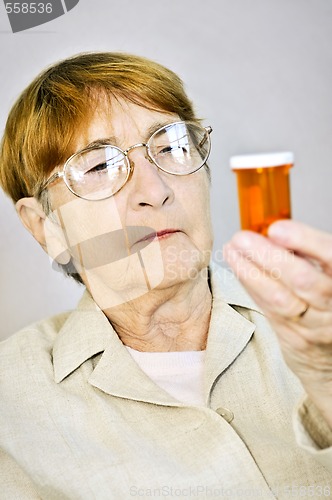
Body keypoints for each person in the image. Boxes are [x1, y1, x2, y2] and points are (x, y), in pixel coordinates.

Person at [0, 52, 331, 499]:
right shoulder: (11, 402)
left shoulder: (319, 325)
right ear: (46, 226)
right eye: (100, 166)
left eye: (172, 146)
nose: (155, 191)